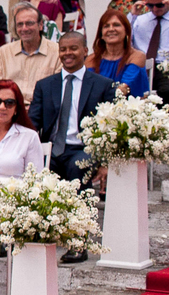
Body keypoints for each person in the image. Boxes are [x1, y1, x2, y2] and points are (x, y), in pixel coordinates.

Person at [29, 32, 117, 262]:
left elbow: (110, 127)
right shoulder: (45, 85)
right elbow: (32, 124)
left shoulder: (102, 85)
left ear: (85, 51)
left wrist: (105, 162)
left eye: (73, 48)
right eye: (63, 49)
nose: (68, 53)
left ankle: (79, 242)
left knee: (78, 169)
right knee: (36, 172)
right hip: (51, 148)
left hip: (83, 148)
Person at [0, 2, 61, 105]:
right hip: (11, 109)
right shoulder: (3, 53)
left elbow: (58, 90)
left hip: (43, 109)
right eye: (20, 24)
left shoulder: (57, 52)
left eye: (29, 23)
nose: (24, 28)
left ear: (41, 25)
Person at [87, 8, 148, 98]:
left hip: (130, 108)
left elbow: (123, 89)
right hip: (98, 108)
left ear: (126, 31)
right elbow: (89, 89)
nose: (111, 29)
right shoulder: (91, 59)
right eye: (106, 26)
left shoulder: (137, 56)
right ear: (101, 34)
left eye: (116, 25)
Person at [131, 0, 169, 96]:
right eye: (150, 5)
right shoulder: (140, 20)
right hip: (141, 67)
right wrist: (132, 16)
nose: (155, 9)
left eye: (159, 5)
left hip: (165, 68)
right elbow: (124, 42)